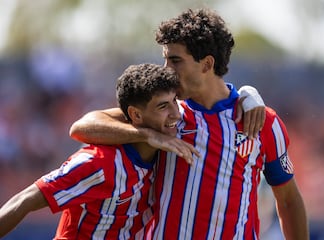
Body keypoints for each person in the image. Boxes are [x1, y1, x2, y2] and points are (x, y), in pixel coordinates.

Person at [69, 8, 309, 239]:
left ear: (206, 64)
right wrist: (146, 135)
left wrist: (249, 93)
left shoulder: (261, 121)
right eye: (165, 60)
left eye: (175, 61)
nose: (166, 71)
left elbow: (288, 200)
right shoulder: (166, 116)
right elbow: (83, 127)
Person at [0, 63, 195, 239]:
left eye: (174, 102)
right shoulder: (101, 163)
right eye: (162, 106)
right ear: (135, 115)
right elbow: (24, 200)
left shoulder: (166, 157)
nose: (176, 114)